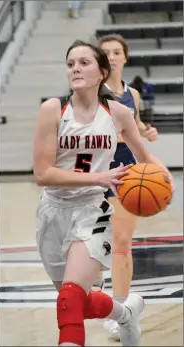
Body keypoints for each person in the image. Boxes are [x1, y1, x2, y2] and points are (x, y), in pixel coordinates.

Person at [34, 39, 173, 346]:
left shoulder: (118, 113)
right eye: (71, 64)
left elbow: (144, 156)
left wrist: (166, 179)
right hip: (53, 211)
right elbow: (42, 174)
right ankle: (124, 313)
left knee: (70, 299)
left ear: (101, 72)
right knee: (76, 303)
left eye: (84, 62)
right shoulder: (53, 109)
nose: (75, 69)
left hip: (92, 210)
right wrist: (101, 175)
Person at [95, 34, 158, 339]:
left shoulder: (131, 93)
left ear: (124, 57)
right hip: (94, 168)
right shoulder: (90, 91)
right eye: (105, 52)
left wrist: (147, 131)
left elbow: (134, 125)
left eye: (116, 52)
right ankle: (98, 288)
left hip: (126, 170)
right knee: (90, 242)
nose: (111, 56)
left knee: (122, 240)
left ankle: (119, 312)